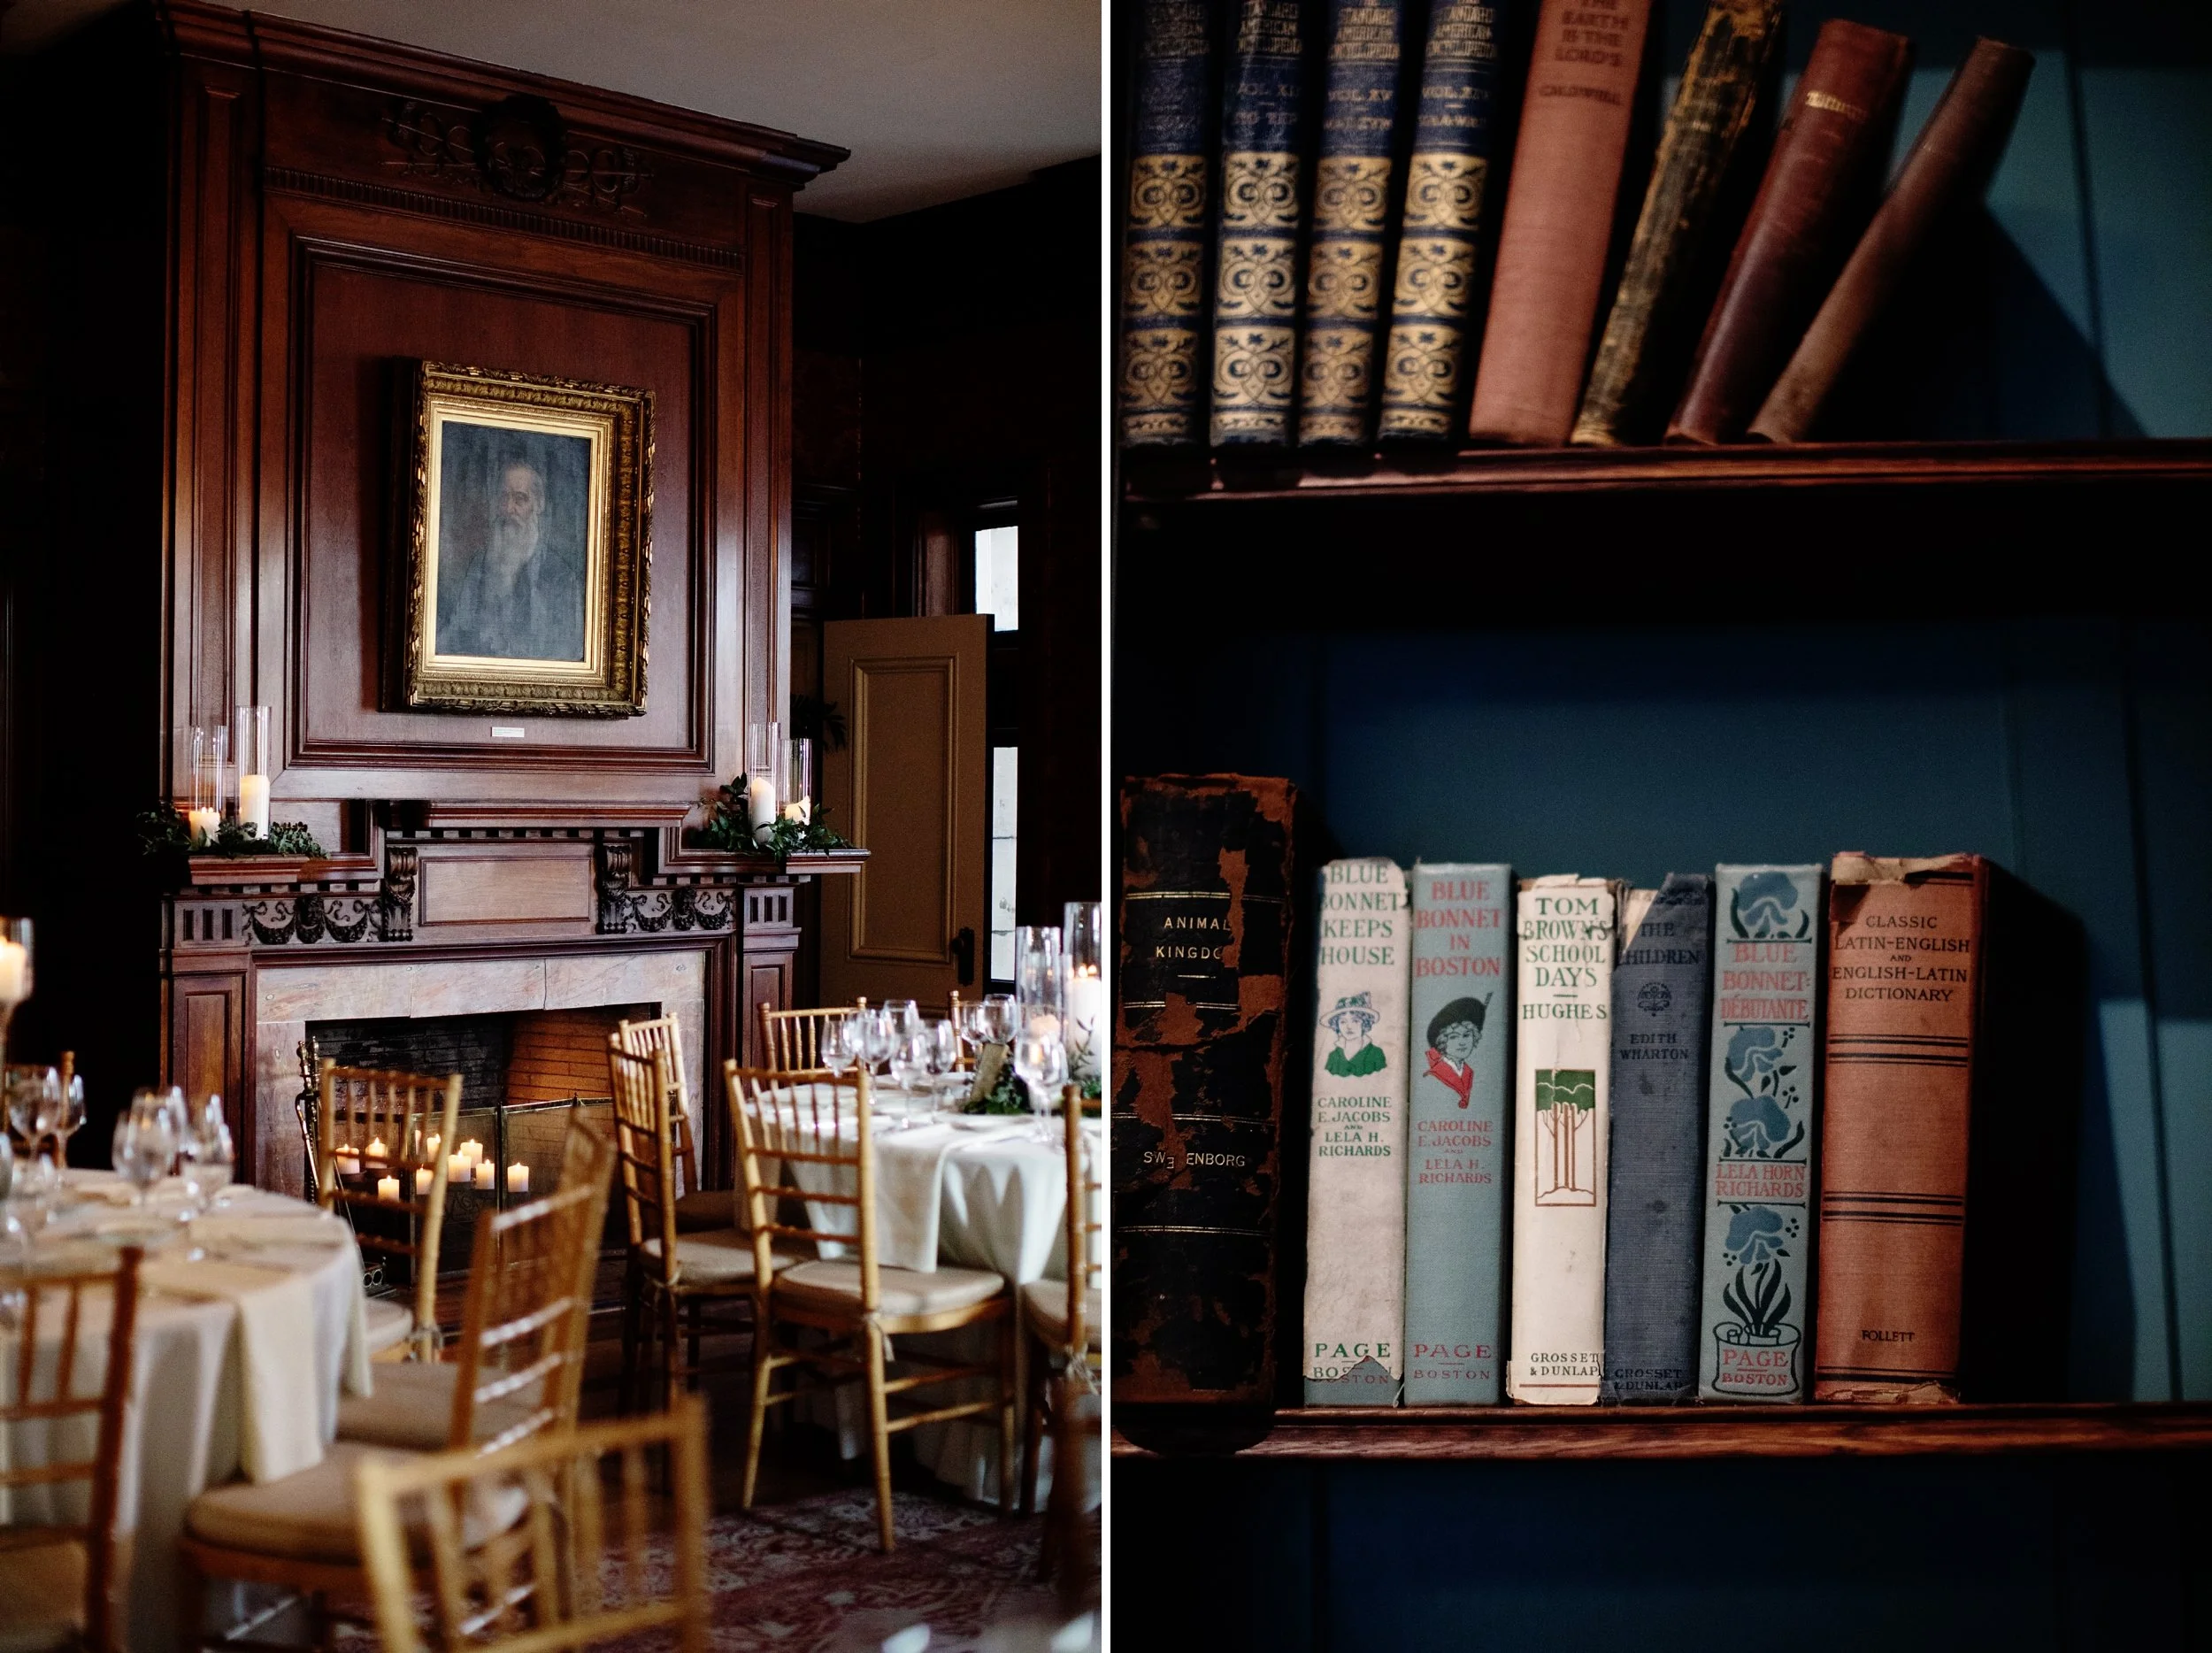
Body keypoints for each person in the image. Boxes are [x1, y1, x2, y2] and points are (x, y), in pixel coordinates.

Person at [437, 455, 586, 661]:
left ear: (539, 504)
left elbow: (569, 650)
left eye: (520, 499)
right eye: (504, 497)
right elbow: (457, 629)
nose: (509, 509)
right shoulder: (480, 565)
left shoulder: (561, 577)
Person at [1423, 996, 1488, 1108]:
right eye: (1453, 1037)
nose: (1462, 1042)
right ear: (1442, 1041)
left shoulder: (1469, 1072)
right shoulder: (1433, 1077)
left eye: (1467, 1035)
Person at [1322, 992, 1386, 1079]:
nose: (1349, 1027)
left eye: (1355, 1021)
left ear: (1364, 1023)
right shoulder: (1333, 1056)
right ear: (1337, 1025)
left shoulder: (1376, 1053)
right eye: (1343, 1022)